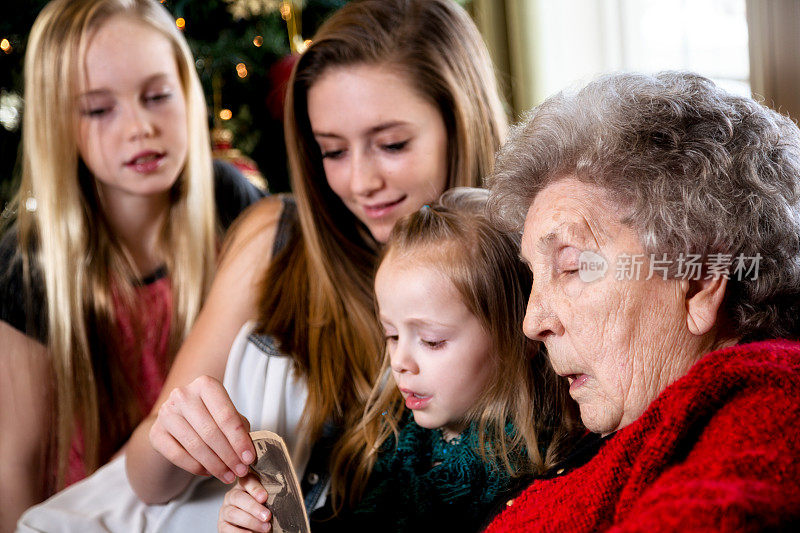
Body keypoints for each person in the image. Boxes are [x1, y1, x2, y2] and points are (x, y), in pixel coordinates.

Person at [16, 0, 508, 530]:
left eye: (391, 145)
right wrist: (176, 433)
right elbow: (146, 482)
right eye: (333, 152)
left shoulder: (524, 263)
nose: (361, 182)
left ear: (460, 120)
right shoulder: (279, 239)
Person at [483, 71, 800, 532]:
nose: (533, 322)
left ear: (698, 280)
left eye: (572, 266)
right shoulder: (646, 415)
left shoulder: (772, 404)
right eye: (535, 274)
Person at [0, 0, 264, 529]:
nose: (141, 126)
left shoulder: (230, 201)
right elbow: (16, 465)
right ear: (58, 121)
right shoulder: (25, 265)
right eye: (99, 110)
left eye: (158, 96)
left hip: (218, 506)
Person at [218, 188, 577, 532]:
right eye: (391, 335)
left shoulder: (536, 478)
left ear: (520, 334)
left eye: (432, 341)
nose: (401, 361)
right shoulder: (386, 443)